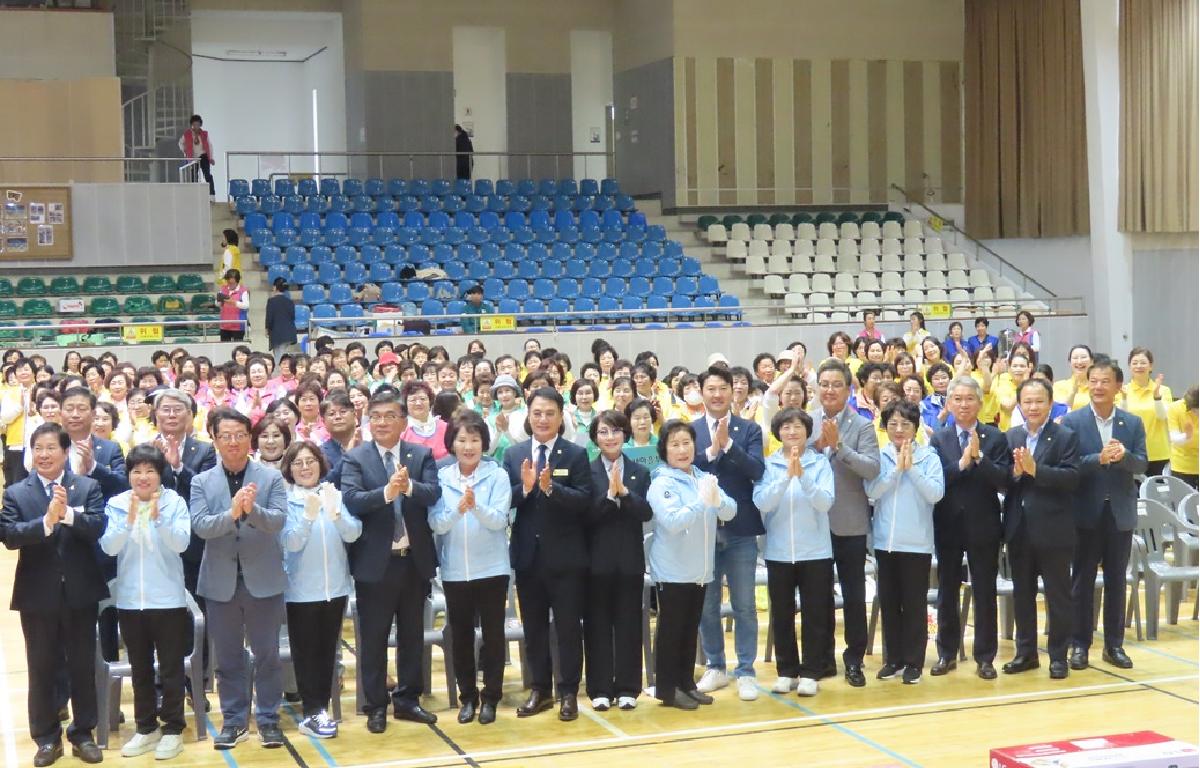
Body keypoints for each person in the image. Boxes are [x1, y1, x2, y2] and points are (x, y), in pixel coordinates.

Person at [1, 423, 107, 767]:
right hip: (37, 595)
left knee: (81, 666)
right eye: (38, 448)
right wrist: (45, 522)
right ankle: (46, 738)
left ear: (65, 452)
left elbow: (97, 528)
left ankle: (83, 733)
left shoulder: (86, 486)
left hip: (80, 592)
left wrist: (69, 515)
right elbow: (9, 535)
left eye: (51, 448)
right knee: (41, 667)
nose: (44, 454)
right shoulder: (17, 492)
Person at [340, 386, 441, 733]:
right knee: (374, 637)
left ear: (403, 421)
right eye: (375, 417)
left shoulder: (420, 454)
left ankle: (408, 699)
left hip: (414, 561)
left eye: (389, 416)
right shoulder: (356, 458)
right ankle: (375, 705)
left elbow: (433, 493)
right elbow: (352, 499)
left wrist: (408, 486)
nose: (381, 423)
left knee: (413, 634)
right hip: (375, 563)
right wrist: (387, 493)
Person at [190, 408, 289, 750]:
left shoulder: (272, 477)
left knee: (267, 655)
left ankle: (268, 719)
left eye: (240, 435)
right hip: (220, 582)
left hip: (264, 579)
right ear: (214, 440)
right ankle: (234, 721)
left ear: (250, 438)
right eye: (225, 436)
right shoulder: (201, 481)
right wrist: (232, 513)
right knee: (229, 657)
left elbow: (277, 521)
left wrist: (252, 510)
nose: (233, 442)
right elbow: (201, 526)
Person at [502, 387, 593, 721]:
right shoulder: (513, 456)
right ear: (528, 415)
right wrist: (525, 488)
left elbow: (584, 499)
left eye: (549, 413)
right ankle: (539, 689)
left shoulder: (575, 454)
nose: (543, 419)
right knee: (534, 628)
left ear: (560, 416)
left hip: (567, 558)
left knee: (568, 628)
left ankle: (568, 691)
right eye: (537, 413)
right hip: (528, 557)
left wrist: (551, 488)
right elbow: (506, 500)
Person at [98, 444, 191, 761]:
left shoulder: (174, 501)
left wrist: (159, 518)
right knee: (140, 669)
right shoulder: (117, 504)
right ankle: (146, 727)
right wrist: (129, 521)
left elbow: (181, 543)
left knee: (171, 669)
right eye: (136, 470)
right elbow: (109, 547)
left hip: (168, 600)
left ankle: (173, 729)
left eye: (150, 470)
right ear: (129, 474)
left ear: (159, 473)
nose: (143, 476)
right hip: (130, 601)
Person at [428, 411, 512, 726]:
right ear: (452, 444)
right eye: (462, 440)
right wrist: (457, 509)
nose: (468, 446)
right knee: (460, 635)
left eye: (475, 440)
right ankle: (468, 698)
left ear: (484, 443)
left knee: (493, 635)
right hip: (454, 571)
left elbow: (499, 521)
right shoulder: (442, 477)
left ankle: (491, 697)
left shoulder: (497, 475)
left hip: (492, 568)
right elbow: (436, 523)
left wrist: (475, 506)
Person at [1063, 357, 1146, 671]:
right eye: (1093, 380)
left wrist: (1124, 457)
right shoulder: (1073, 422)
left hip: (1120, 513)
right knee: (1081, 582)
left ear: (1117, 386)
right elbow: (1069, 466)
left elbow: (1142, 464)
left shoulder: (1133, 423)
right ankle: (1079, 645)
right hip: (1084, 513)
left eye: (1105, 381)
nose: (1098, 387)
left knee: (1116, 581)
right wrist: (1097, 458)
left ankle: (1114, 645)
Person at [647, 420, 736, 709]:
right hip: (672, 570)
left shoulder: (704, 477)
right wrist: (701, 502)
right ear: (664, 450)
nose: (682, 450)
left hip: (700, 569)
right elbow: (673, 522)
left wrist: (716, 500)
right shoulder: (661, 483)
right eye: (675, 444)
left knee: (688, 630)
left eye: (686, 443)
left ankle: (686, 683)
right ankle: (667, 690)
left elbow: (731, 510)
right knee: (671, 631)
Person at [929, 376, 1012, 679]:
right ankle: (946, 653)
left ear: (979, 402)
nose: (963, 404)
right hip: (948, 524)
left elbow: (1004, 480)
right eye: (958, 399)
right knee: (947, 591)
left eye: (969, 399)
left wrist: (980, 459)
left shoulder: (995, 437)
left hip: (984, 525)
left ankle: (985, 657)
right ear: (949, 403)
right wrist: (963, 464)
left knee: (984, 591)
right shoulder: (939, 439)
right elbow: (937, 480)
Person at [692, 365, 766, 701]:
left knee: (745, 605)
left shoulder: (749, 430)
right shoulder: (690, 430)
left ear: (733, 391)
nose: (718, 394)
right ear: (701, 392)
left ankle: (746, 670)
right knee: (706, 605)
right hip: (703, 532)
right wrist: (711, 451)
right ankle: (716, 666)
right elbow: (686, 468)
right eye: (711, 389)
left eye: (723, 388)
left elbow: (756, 470)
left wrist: (729, 446)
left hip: (740, 531)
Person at [279, 441, 361, 739]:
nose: (305, 467)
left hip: (335, 589)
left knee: (328, 652)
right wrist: (308, 517)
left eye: (310, 461)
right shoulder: (286, 501)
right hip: (301, 592)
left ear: (320, 464)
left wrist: (335, 513)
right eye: (298, 463)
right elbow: (289, 543)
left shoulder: (334, 495)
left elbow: (353, 534)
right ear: (289, 469)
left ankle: (321, 709)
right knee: (306, 653)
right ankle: (311, 711)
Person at [753, 408, 835, 697]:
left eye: (798, 427)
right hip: (778, 552)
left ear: (807, 431)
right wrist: (787, 477)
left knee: (814, 614)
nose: (792, 432)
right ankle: (786, 670)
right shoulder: (770, 464)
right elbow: (762, 502)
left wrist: (804, 478)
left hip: (815, 551)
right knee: (782, 615)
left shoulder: (820, 463)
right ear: (778, 433)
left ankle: (812, 672)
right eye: (786, 427)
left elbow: (825, 502)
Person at [809, 360, 880, 687]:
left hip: (849, 522)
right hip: (813, 523)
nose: (829, 389)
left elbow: (871, 469)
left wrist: (839, 447)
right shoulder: (806, 423)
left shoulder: (862, 425)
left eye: (836, 384)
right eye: (824, 383)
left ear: (849, 389)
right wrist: (816, 445)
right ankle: (821, 659)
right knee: (817, 596)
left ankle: (854, 660)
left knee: (853, 595)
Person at [1002, 379, 1079, 680]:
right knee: (1022, 594)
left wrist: (1037, 471)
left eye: (1039, 401)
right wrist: (1014, 473)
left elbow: (1072, 478)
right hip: (1018, 529)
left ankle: (1059, 655)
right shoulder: (1011, 436)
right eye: (1028, 402)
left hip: (1054, 528)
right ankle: (1026, 653)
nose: (1033, 407)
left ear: (1050, 403)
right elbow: (1003, 481)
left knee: (1058, 595)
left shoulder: (1065, 436)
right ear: (1020, 404)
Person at [866, 401, 944, 684]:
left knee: (914, 605)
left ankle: (914, 662)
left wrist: (911, 469)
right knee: (889, 603)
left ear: (915, 428)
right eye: (893, 425)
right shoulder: (880, 457)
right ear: (885, 428)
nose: (899, 430)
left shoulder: (929, 457)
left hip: (917, 544)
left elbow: (935, 493)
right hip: (885, 544)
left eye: (906, 425)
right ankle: (893, 659)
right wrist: (896, 470)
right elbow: (872, 491)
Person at [585, 410, 653, 711]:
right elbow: (584, 517)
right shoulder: (585, 472)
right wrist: (609, 498)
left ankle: (627, 687)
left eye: (614, 431)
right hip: (595, 563)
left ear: (624, 434)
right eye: (603, 432)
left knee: (628, 624)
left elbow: (645, 513)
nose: (610, 437)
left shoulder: (639, 472)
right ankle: (599, 688)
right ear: (595, 438)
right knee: (597, 626)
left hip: (629, 562)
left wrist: (624, 493)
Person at [1122, 347, 1171, 476]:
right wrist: (1123, 398)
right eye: (1135, 362)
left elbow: (1163, 416)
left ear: (1151, 366)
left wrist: (1156, 396)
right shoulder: (1122, 390)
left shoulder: (1163, 390)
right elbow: (1121, 418)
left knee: (1159, 494)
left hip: (1158, 452)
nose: (1139, 366)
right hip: (1131, 452)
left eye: (1143, 362)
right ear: (1129, 366)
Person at [1168, 387, 1199, 487]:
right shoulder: (1174, 408)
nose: (1196, 413)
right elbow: (1173, 437)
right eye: (1194, 410)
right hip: (1181, 466)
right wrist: (1186, 436)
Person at [179, 114, 215, 198]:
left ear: (200, 124)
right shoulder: (187, 134)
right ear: (191, 125)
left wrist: (211, 157)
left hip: (203, 155)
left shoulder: (204, 134)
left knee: (207, 175)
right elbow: (180, 143)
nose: (196, 126)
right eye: (194, 124)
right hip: (192, 157)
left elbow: (210, 145)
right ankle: (194, 195)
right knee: (193, 176)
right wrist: (185, 150)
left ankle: (211, 194)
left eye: (198, 124)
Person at [265, 278, 298, 365]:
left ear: (275, 287)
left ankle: (279, 374)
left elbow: (269, 318)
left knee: (279, 357)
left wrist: (267, 329)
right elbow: (293, 316)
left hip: (277, 333)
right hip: (289, 333)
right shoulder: (290, 301)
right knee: (283, 355)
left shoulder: (271, 301)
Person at [1053, 345, 1094, 411]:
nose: (1079, 362)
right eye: (1075, 358)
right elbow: (1060, 412)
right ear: (1070, 362)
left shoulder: (1098, 386)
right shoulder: (1058, 386)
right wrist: (1073, 392)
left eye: (1083, 357)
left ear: (1091, 361)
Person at [217, 269, 249, 342]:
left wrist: (234, 302)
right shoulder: (223, 289)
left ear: (237, 281)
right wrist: (219, 301)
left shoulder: (243, 291)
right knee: (224, 348)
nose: (230, 284)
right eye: (229, 282)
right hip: (224, 325)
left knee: (238, 348)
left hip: (238, 326)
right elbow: (217, 304)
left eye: (232, 283)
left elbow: (246, 305)